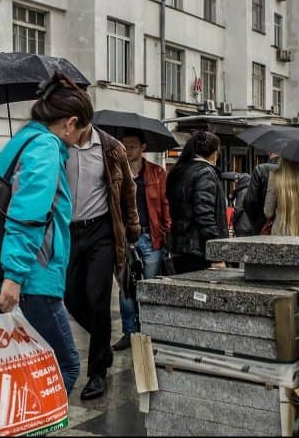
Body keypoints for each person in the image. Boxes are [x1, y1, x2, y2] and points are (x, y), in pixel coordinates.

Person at [0, 72, 92, 395]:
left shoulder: (21, 141)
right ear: (70, 123)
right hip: (27, 279)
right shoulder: (46, 148)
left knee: (12, 377)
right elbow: (28, 212)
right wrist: (16, 276)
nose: (80, 141)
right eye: (82, 133)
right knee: (64, 366)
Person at [64, 113, 140, 401]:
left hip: (102, 232)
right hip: (68, 232)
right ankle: (103, 344)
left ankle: (97, 372)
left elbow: (128, 192)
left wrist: (132, 229)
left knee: (98, 300)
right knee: (71, 297)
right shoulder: (59, 146)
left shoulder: (111, 148)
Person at [112, 130, 171, 352]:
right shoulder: (116, 174)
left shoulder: (157, 173)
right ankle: (129, 332)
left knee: (150, 286)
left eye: (133, 146)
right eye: (125, 146)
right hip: (125, 239)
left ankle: (150, 331)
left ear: (142, 148)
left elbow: (165, 205)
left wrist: (165, 232)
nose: (128, 150)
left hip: (150, 236)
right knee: (126, 288)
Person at [166, 130, 228, 274]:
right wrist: (216, 254)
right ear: (214, 153)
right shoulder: (205, 172)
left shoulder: (179, 171)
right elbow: (205, 215)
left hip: (180, 249)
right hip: (199, 251)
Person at [243, 152, 280, 234]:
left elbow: (250, 201)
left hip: (264, 226)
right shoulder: (295, 173)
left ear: (269, 152)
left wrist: (258, 223)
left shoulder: (261, 169)